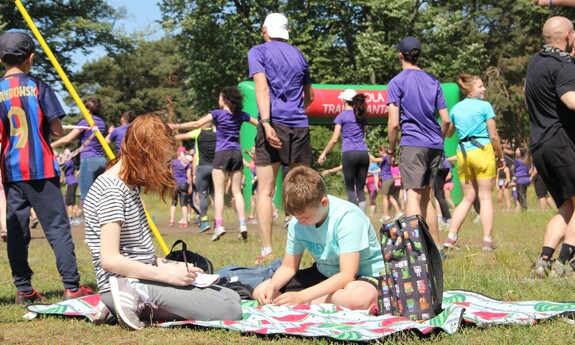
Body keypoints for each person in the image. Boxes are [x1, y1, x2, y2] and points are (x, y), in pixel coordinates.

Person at [83, 114, 242, 330]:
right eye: (163, 161)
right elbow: (110, 260)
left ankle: (120, 304)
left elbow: (133, 251)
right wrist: (167, 275)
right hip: (128, 281)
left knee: (231, 295)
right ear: (144, 154)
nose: (164, 168)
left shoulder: (127, 185)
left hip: (140, 278)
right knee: (230, 310)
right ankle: (126, 296)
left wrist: (169, 265)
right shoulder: (112, 190)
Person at [0, 31, 92, 303]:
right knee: (57, 228)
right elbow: (55, 128)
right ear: (31, 58)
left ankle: (23, 289)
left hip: (11, 171)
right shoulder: (40, 86)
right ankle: (72, 286)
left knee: (17, 231)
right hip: (41, 169)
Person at [252, 166, 385, 310]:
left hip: (363, 277)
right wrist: (271, 288)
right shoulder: (297, 222)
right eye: (296, 217)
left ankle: (305, 302)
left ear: (324, 203)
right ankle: (321, 300)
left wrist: (301, 297)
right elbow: (289, 266)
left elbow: (347, 275)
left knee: (359, 297)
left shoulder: (348, 218)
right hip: (324, 274)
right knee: (261, 290)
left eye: (305, 217)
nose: (300, 221)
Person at [248, 13, 314, 265]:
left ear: (265, 29)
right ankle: (303, 250)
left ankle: (267, 251)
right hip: (299, 125)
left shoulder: (258, 51)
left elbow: (262, 88)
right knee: (301, 191)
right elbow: (310, 97)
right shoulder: (299, 55)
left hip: (272, 123)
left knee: (266, 191)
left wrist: (265, 123)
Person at [386, 36, 450, 250]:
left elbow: (394, 124)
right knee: (426, 196)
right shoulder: (433, 81)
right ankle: (437, 247)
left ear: (400, 55)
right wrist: (438, 141)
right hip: (434, 144)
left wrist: (391, 150)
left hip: (413, 143)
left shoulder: (397, 82)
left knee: (411, 194)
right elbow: (446, 119)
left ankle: (414, 249)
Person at [172, 86, 258, 241]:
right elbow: (259, 124)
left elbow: (197, 124)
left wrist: (177, 126)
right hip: (236, 154)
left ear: (224, 99)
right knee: (237, 191)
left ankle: (219, 226)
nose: (218, 100)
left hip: (222, 154)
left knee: (218, 192)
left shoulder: (217, 114)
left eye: (219, 97)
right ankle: (243, 224)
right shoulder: (242, 115)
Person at [524, 16, 575, 277]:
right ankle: (565, 264)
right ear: (567, 35)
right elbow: (570, 99)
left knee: (567, 205)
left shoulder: (536, 62)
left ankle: (544, 260)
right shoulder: (563, 64)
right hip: (561, 142)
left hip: (540, 144)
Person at [442, 74, 504, 252]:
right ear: (470, 89)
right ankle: (487, 241)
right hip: (482, 151)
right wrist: (500, 156)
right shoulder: (485, 106)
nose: (484, 89)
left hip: (463, 154)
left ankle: (451, 238)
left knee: (467, 198)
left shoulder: (455, 109)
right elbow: (493, 136)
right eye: (480, 86)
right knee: (485, 197)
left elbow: (450, 134)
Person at [318, 89, 369, 211]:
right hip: (363, 154)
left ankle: (355, 217)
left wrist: (323, 154)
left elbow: (334, 139)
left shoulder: (341, 116)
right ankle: (363, 218)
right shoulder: (361, 116)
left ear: (344, 101)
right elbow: (364, 134)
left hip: (349, 154)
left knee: (350, 189)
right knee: (360, 190)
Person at [51, 97, 107, 204]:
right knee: (100, 197)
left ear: (88, 110)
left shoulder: (86, 122)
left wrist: (51, 144)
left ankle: (91, 221)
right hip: (101, 161)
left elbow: (67, 138)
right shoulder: (101, 123)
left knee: (86, 197)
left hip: (88, 160)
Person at [176, 123, 216, 233]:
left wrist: (167, 137)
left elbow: (183, 136)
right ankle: (218, 223)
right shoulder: (216, 133)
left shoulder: (198, 132)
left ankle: (204, 222)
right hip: (215, 168)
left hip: (202, 168)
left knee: (202, 195)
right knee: (214, 196)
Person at [371, 146, 402, 222]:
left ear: (382, 151)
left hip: (386, 180)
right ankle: (398, 212)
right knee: (390, 197)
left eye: (379, 151)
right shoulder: (388, 158)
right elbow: (381, 169)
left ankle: (385, 216)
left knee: (384, 198)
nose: (379, 153)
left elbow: (374, 159)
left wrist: (366, 153)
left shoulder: (385, 157)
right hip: (390, 179)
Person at [169, 146, 192, 228]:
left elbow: (171, 174)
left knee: (173, 202)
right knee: (183, 203)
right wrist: (190, 186)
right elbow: (189, 175)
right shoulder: (187, 163)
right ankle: (185, 221)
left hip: (174, 184)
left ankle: (171, 221)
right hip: (184, 184)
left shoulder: (173, 162)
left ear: (177, 153)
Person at [61, 150, 81, 226]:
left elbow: (63, 169)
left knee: (70, 201)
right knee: (69, 201)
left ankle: (77, 218)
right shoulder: (70, 161)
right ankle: (71, 218)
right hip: (71, 182)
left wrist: (62, 178)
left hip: (72, 182)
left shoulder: (68, 161)